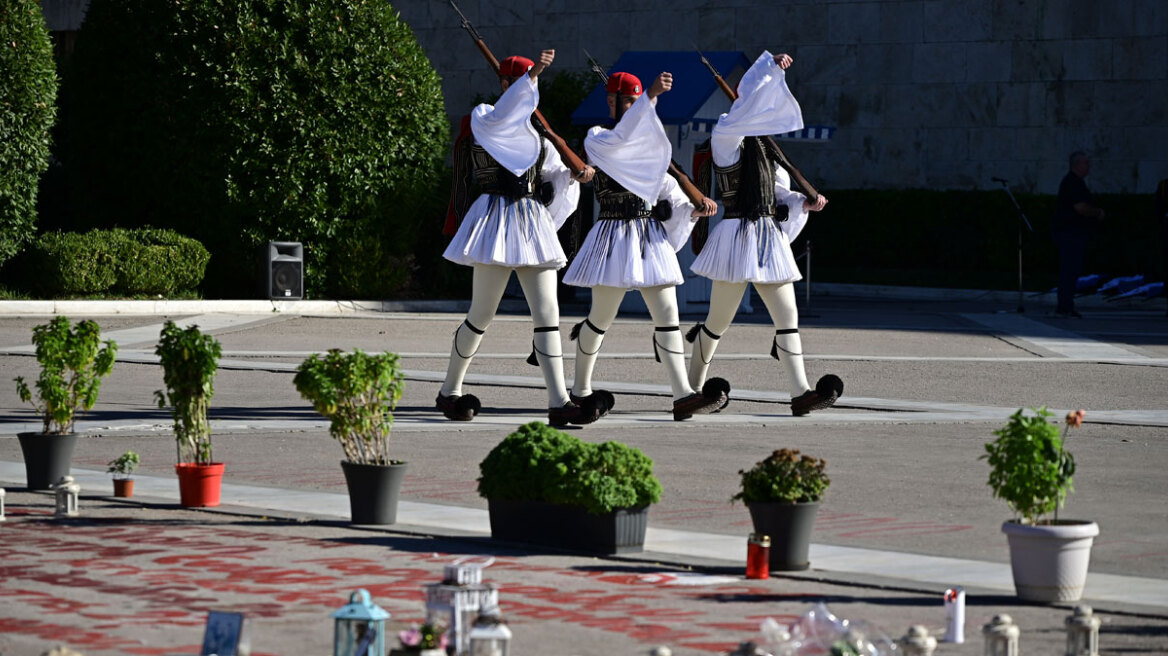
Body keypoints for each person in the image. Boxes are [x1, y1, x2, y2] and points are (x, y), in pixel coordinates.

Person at [437, 50, 605, 427]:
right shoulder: (484, 117)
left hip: (530, 221)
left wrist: (572, 176)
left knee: (548, 315)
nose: (529, 89)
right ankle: (449, 390)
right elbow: (501, 119)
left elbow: (553, 177)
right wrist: (531, 79)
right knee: (481, 315)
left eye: (532, 82)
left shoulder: (537, 133)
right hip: (496, 220)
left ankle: (559, 401)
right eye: (521, 82)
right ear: (504, 85)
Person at [686, 51, 843, 416]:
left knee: (787, 318)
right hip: (738, 236)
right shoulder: (726, 133)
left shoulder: (764, 147)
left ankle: (801, 392)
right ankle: (691, 388)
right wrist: (767, 68)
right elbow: (748, 102)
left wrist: (804, 203)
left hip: (767, 237)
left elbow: (779, 191)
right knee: (717, 322)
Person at [563, 70, 724, 421]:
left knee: (668, 316)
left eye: (639, 103)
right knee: (600, 318)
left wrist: (690, 208)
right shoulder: (598, 139)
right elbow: (622, 139)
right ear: (612, 103)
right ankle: (579, 389)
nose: (640, 111)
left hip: (648, 234)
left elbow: (666, 189)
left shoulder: (648, 148)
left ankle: (682, 395)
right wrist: (650, 96)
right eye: (632, 103)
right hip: (614, 236)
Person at [1052, 151, 1105, 318]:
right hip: (1070, 234)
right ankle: (1065, 306)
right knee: (1069, 270)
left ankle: (1066, 305)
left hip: (1073, 233)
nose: (1088, 167)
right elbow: (1080, 208)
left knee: (1071, 270)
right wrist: (1097, 213)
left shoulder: (1075, 182)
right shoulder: (1073, 183)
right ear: (1077, 165)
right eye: (1086, 163)